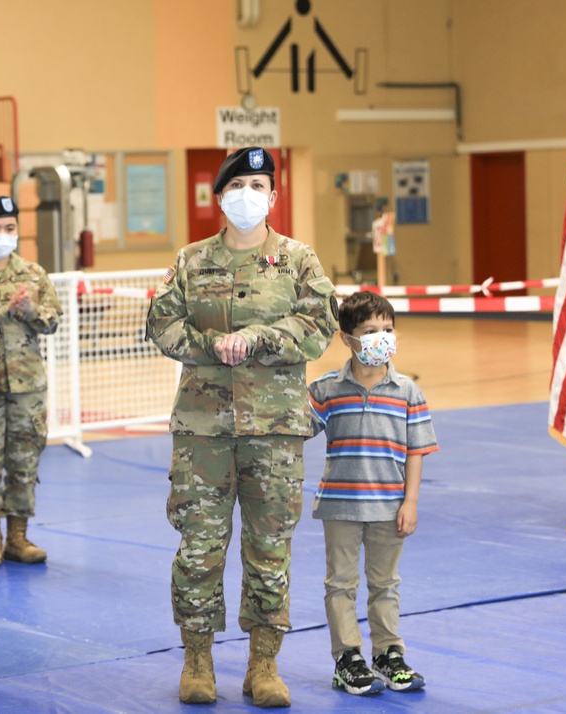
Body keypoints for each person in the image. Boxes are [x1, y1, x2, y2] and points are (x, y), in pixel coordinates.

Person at [146, 146, 339, 707]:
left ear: (274, 196)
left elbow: (316, 326)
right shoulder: (190, 261)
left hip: (274, 428)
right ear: (221, 196)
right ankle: (197, 661)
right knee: (199, 546)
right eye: (240, 184)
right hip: (203, 429)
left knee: (269, 546)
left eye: (260, 184)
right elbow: (161, 323)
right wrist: (212, 346)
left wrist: (258, 339)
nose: (249, 194)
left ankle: (264, 664)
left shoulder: (300, 261)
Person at [306, 291, 438, 696]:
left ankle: (388, 654)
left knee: (385, 583)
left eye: (387, 329)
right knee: (340, 584)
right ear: (347, 338)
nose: (381, 337)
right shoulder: (327, 390)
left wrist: (410, 501)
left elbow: (417, 450)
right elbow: (295, 432)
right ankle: (347, 658)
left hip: (388, 507)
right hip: (340, 507)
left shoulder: (407, 391)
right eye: (370, 331)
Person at [0, 196, 61, 566]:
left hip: (27, 388)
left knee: (24, 461)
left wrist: (31, 311)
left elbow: (53, 321)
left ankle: (18, 538)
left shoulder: (34, 274)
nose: (3, 235)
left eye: (9, 228)